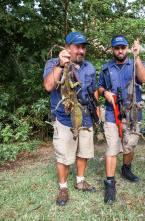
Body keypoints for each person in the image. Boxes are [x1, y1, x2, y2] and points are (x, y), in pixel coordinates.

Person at [43, 32, 99, 206]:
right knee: (64, 156)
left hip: (85, 117)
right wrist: (61, 64)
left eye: (83, 47)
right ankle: (63, 187)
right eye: (77, 47)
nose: (81, 50)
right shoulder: (53, 63)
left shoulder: (89, 67)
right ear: (67, 48)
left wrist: (97, 112)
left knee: (84, 152)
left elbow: (94, 90)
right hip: (64, 118)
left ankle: (80, 180)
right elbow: (48, 86)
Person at [97, 35, 145, 204]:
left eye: (122, 47)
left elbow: (143, 78)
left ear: (127, 48)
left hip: (132, 113)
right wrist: (105, 93)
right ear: (112, 50)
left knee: (130, 144)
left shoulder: (135, 63)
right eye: (116, 48)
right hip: (113, 113)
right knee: (112, 147)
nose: (120, 51)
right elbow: (100, 87)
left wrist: (137, 56)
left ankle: (126, 169)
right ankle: (110, 183)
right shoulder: (106, 68)